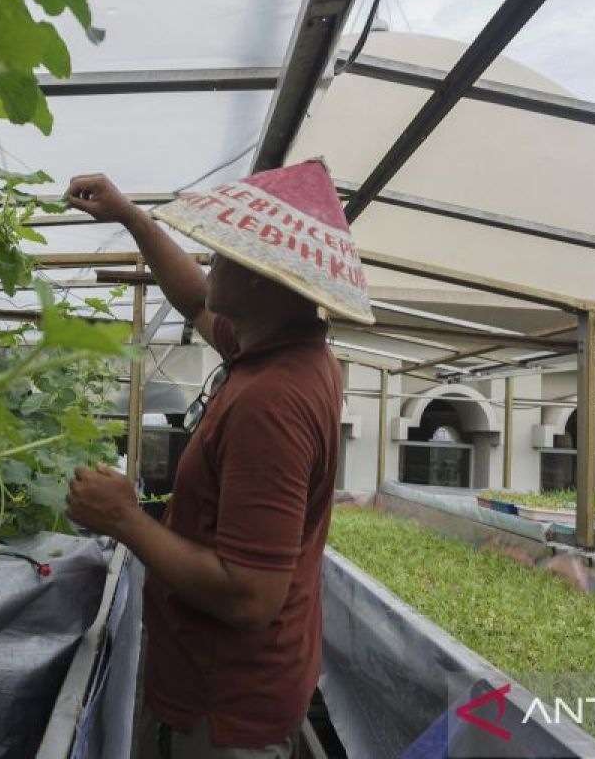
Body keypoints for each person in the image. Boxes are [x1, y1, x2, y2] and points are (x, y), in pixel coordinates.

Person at [63, 162, 372, 759]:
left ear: (264, 279)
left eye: (225, 255)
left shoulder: (271, 402)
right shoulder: (289, 351)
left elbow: (250, 596)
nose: (211, 262)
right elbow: (193, 301)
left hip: (222, 708)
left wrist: (125, 519)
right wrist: (132, 218)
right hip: (239, 687)